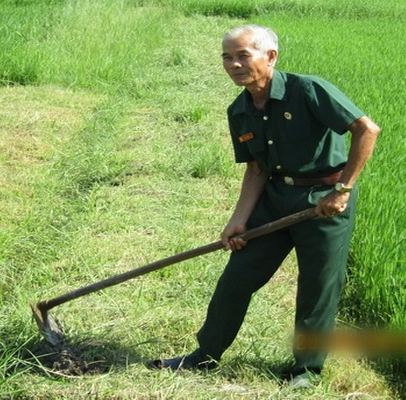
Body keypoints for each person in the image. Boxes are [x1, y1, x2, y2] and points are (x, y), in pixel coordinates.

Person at [148, 24, 381, 388]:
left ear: (270, 56)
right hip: (274, 200)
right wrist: (238, 221)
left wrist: (343, 189)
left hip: (322, 202)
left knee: (317, 287)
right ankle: (204, 355)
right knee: (236, 279)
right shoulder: (239, 110)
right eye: (227, 57)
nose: (233, 64)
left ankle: (306, 369)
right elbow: (256, 168)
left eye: (243, 55)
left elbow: (367, 129)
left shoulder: (308, 90)